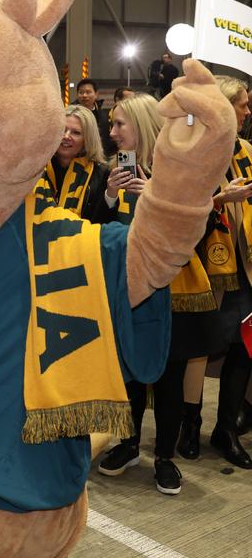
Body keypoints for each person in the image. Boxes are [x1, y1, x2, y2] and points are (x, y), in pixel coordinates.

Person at [96, 93, 192, 492]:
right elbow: (91, 229)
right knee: (130, 370)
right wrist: (110, 197)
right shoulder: (110, 172)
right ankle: (130, 442)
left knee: (168, 377)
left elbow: (185, 235)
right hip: (123, 289)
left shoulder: (174, 173)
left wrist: (152, 195)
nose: (113, 132)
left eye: (120, 124)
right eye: (112, 124)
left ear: (142, 124)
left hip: (171, 293)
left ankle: (166, 457)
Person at [177, 75, 252, 468]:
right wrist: (223, 198)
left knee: (243, 347)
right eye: (242, 103)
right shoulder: (195, 151)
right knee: (200, 350)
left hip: (246, 267)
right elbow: (182, 209)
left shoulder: (248, 151)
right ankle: (190, 425)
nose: (247, 110)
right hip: (203, 267)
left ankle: (226, 429)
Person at [35, 105, 113, 223]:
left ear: (88, 139)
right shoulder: (36, 168)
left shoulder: (101, 173)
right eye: (62, 129)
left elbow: (102, 221)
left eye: (76, 133)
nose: (66, 136)